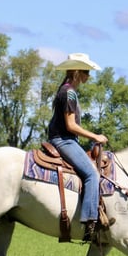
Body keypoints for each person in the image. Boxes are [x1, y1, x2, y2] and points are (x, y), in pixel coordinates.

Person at [47, 52, 109, 242]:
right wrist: (95, 136)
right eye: (86, 72)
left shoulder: (66, 90)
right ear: (77, 72)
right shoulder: (69, 93)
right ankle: (90, 222)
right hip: (64, 140)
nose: (89, 76)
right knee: (92, 174)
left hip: (66, 139)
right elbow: (71, 126)